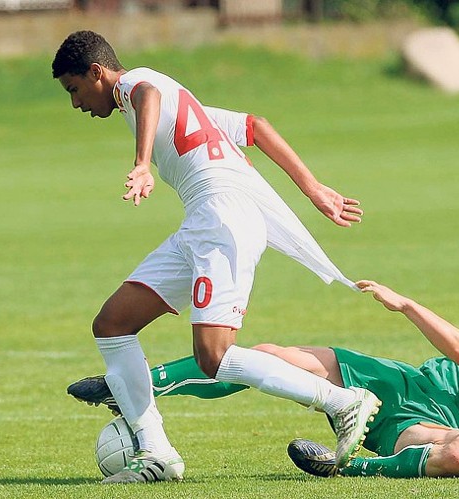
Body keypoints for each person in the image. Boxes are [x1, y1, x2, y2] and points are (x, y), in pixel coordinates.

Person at [70, 152, 459, 478]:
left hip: (430, 428)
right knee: (268, 356)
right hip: (404, 382)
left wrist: (407, 306)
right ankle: (139, 385)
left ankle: (348, 465)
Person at [52, 30, 381, 484]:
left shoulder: (137, 86)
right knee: (112, 324)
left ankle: (343, 402)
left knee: (214, 356)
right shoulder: (179, 102)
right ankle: (156, 454)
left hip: (222, 223)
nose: (75, 104)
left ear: (97, 73)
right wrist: (313, 188)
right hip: (204, 225)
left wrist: (143, 162)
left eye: (74, 90)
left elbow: (143, 91)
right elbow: (255, 126)